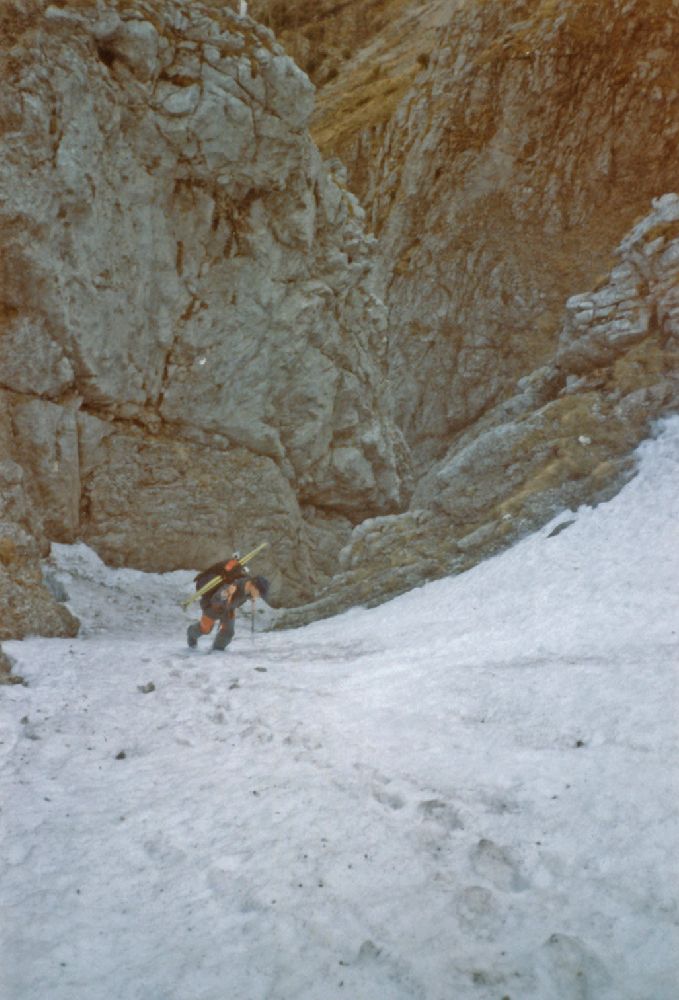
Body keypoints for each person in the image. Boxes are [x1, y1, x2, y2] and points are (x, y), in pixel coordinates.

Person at [187, 574, 271, 651]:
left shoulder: (248, 589)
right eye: (259, 593)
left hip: (229, 609)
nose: (259, 596)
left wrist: (251, 597)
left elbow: (242, 596)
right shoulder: (232, 586)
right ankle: (191, 633)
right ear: (253, 586)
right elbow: (215, 599)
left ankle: (217, 650)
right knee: (205, 629)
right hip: (213, 608)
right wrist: (226, 593)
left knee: (228, 631)